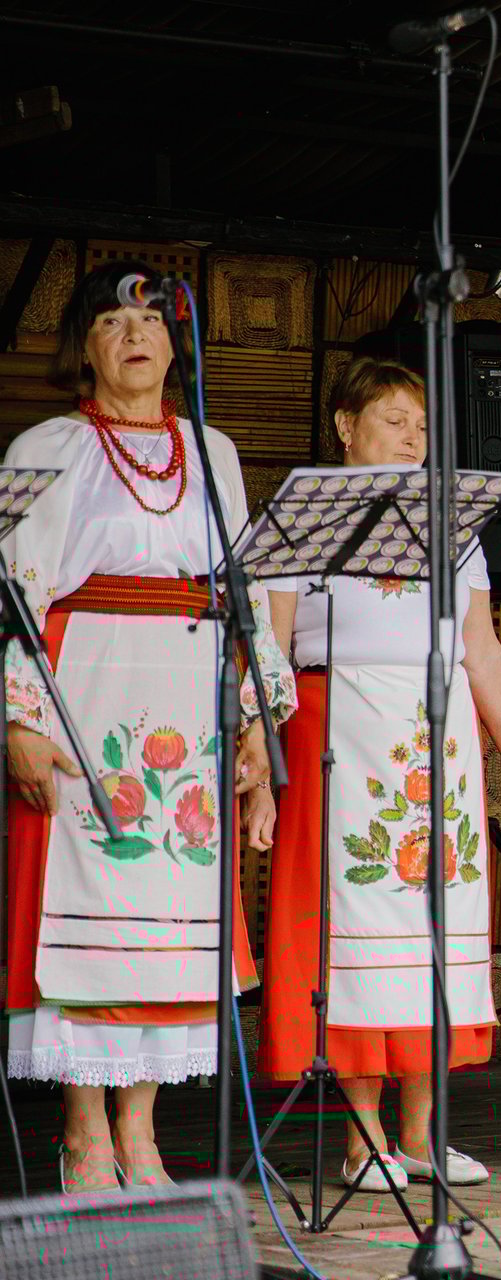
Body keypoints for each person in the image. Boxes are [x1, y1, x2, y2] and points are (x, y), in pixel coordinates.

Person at [2, 260, 297, 1190]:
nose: (135, 334)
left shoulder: (213, 453)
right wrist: (16, 720)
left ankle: (142, 1131)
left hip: (188, 702)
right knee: (84, 922)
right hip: (83, 693)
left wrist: (256, 718)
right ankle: (83, 1132)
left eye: (151, 321)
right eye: (111, 321)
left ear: (177, 344)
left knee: (172, 926)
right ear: (83, 346)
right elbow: (10, 595)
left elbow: (241, 595)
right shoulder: (47, 444)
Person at [258, 357, 501, 1190]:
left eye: (421, 425)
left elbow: (482, 652)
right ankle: (364, 1145)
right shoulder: (303, 518)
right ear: (344, 425)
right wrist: (262, 761)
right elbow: (271, 647)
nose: (410, 437)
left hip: (438, 736)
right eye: (392, 419)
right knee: (356, 937)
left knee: (429, 932)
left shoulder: (451, 526)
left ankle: (423, 1141)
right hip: (340, 726)